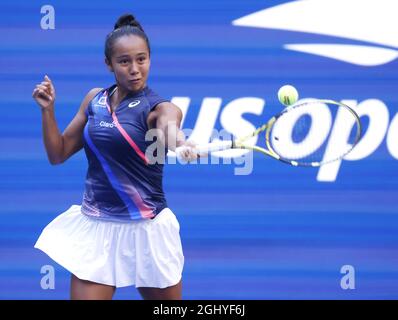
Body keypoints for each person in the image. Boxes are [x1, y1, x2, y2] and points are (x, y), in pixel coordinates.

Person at [32, 13, 197, 300]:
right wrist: (47, 110)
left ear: (150, 59)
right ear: (109, 64)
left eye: (142, 59)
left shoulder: (159, 107)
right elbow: (57, 154)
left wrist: (180, 142)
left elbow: (170, 128)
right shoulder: (94, 100)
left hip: (148, 231)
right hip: (98, 231)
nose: (135, 69)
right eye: (124, 61)